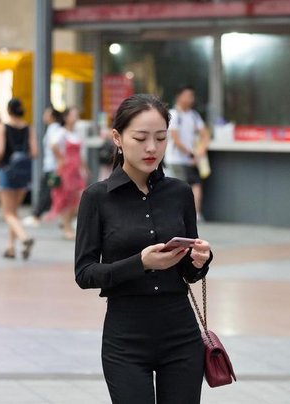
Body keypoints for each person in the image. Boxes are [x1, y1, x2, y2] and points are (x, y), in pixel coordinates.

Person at [75, 94, 213, 404]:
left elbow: (190, 272)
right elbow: (84, 273)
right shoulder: (96, 198)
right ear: (118, 138)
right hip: (125, 339)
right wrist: (141, 263)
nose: (152, 148)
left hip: (181, 335)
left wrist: (201, 260)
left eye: (161, 138)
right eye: (140, 138)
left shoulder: (179, 193)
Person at [0, 98, 37, 259]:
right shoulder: (29, 128)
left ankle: (24, 238)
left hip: (7, 171)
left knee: (7, 213)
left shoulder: (2, 127)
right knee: (14, 211)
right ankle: (10, 247)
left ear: (8, 110)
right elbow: (34, 152)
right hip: (24, 173)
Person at [165, 86, 210, 221]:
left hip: (191, 159)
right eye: (187, 96)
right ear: (179, 97)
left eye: (192, 96)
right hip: (176, 160)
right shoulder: (173, 114)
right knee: (181, 187)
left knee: (195, 185)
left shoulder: (194, 115)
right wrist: (192, 154)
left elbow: (205, 134)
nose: (191, 99)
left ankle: (195, 214)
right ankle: (182, 215)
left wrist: (201, 151)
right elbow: (175, 139)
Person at [48, 106, 88, 240]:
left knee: (78, 198)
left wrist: (84, 168)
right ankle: (67, 227)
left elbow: (80, 153)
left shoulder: (75, 133)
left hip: (76, 169)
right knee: (66, 197)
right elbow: (53, 145)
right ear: (66, 117)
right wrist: (60, 159)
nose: (75, 117)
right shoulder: (61, 132)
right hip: (66, 170)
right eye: (73, 115)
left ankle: (67, 223)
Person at [23, 105, 63, 227]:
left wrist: (59, 160)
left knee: (46, 191)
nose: (44, 116)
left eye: (46, 114)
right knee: (51, 191)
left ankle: (37, 215)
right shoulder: (53, 128)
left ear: (52, 116)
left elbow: (53, 145)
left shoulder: (54, 129)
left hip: (52, 165)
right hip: (51, 164)